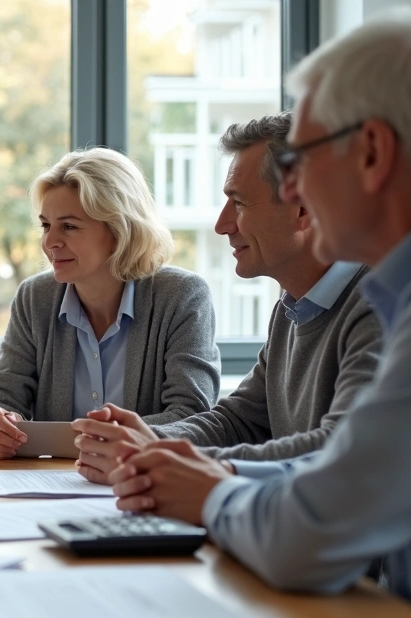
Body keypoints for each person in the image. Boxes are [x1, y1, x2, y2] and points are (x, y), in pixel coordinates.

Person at [104, 9, 411, 618]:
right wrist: (202, 467)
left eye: (301, 159)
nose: (295, 189)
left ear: (373, 153)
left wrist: (213, 489)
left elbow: (310, 535)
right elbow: (348, 469)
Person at [72, 114, 382, 483]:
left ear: (303, 209)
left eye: (238, 203)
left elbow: (338, 448)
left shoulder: (378, 306)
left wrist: (178, 463)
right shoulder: (292, 308)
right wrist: (146, 440)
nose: (222, 224)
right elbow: (239, 420)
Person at [0, 148, 220, 459]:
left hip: (145, 480)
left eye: (69, 226)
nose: (49, 242)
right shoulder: (35, 298)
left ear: (119, 229)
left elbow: (192, 415)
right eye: (46, 225)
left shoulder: (181, 296)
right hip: (50, 486)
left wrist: (111, 440)